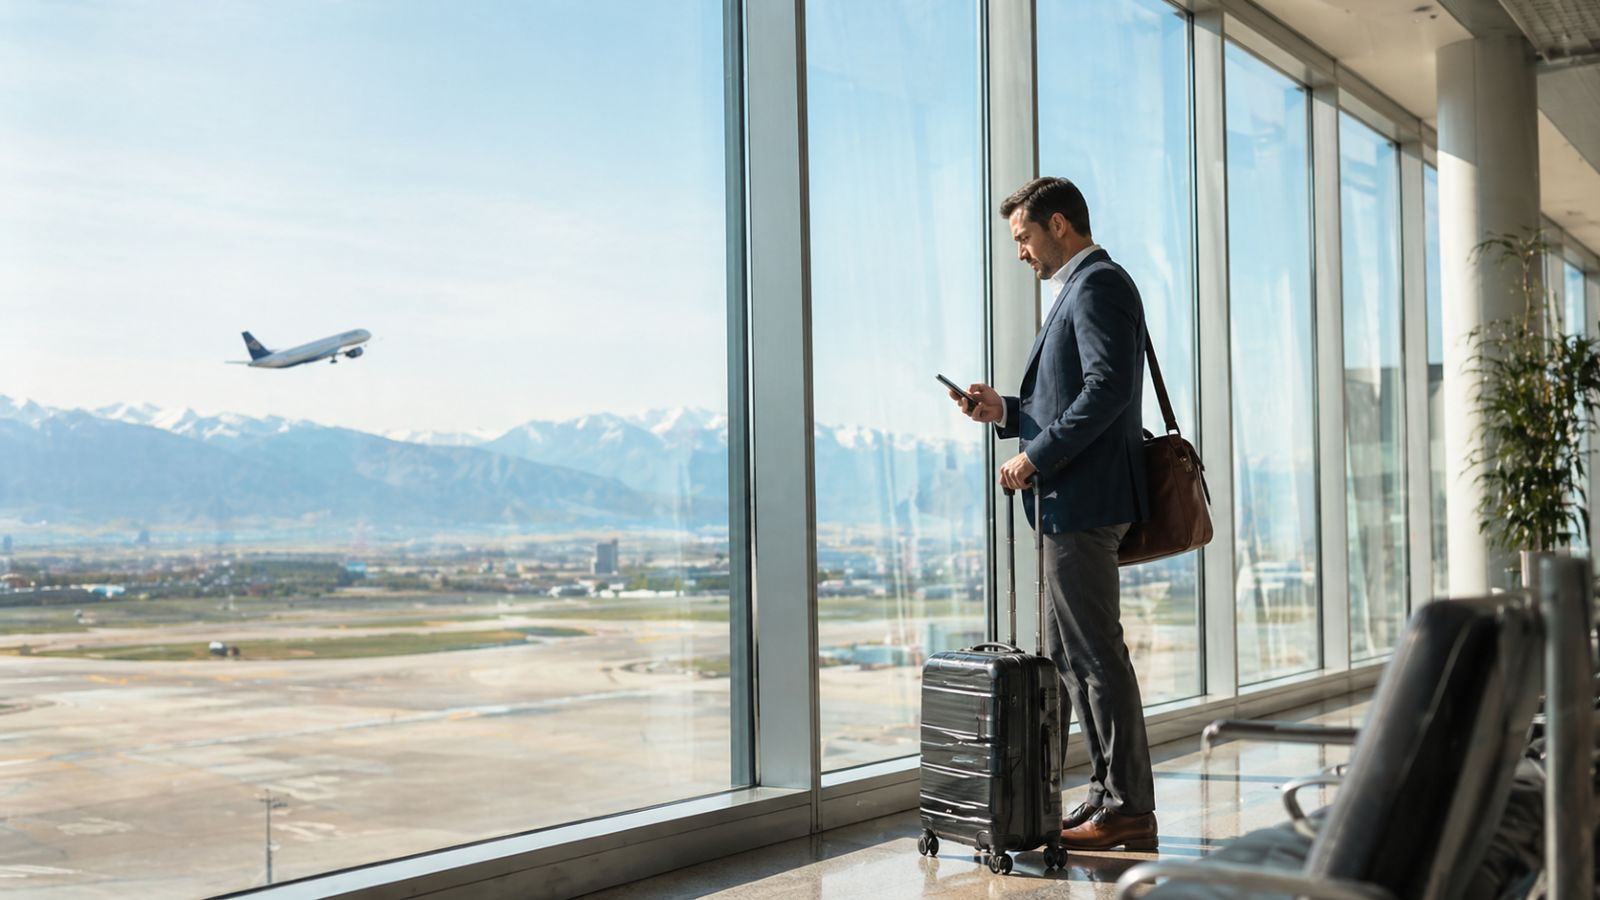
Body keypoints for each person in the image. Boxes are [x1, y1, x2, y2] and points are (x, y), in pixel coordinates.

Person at [949, 176, 1157, 851]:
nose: (1020, 253)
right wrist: (1007, 413)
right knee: (1072, 656)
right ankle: (1106, 795)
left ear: (1059, 225)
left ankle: (1127, 806)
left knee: (1094, 656)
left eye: (1024, 237)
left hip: (1083, 499)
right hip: (1075, 500)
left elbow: (1106, 392)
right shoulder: (1084, 289)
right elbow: (1074, 393)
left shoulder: (1098, 285)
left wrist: (1033, 457)